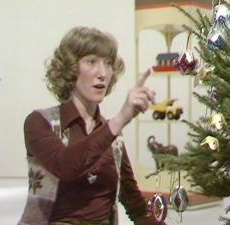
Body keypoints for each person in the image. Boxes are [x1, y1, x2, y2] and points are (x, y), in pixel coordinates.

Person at [18, 26, 167, 225]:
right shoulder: (39, 122)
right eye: (91, 62)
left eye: (108, 64)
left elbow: (136, 206)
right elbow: (64, 166)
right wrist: (120, 119)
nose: (103, 73)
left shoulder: (112, 136)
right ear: (70, 68)